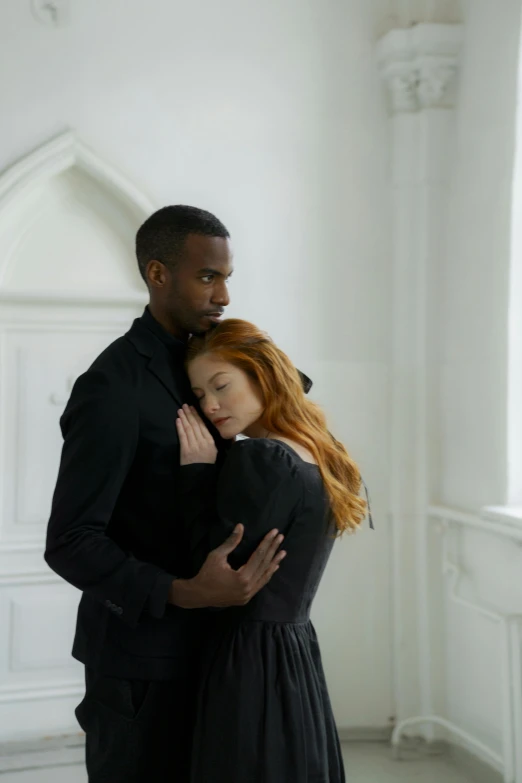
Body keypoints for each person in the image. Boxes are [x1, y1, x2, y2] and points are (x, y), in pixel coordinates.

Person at [44, 206, 288, 783]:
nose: (224, 294)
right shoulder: (111, 387)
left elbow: (287, 417)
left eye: (227, 277)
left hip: (225, 655)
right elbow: (71, 542)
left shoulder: (225, 360)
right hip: (140, 667)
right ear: (157, 274)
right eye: (208, 277)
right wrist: (184, 592)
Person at [175, 318, 373, 783]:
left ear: (262, 374)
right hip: (294, 649)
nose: (210, 405)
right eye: (201, 395)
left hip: (247, 657)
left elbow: (207, 561)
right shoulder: (319, 450)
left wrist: (196, 473)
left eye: (221, 385)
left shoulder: (262, 457)